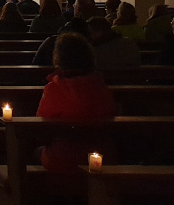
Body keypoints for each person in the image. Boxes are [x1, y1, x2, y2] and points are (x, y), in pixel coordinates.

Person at [36, 33, 116, 172]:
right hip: (102, 156)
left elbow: (41, 125)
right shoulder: (101, 87)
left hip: (61, 157)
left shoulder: (54, 89)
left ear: (59, 59)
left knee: (35, 152)